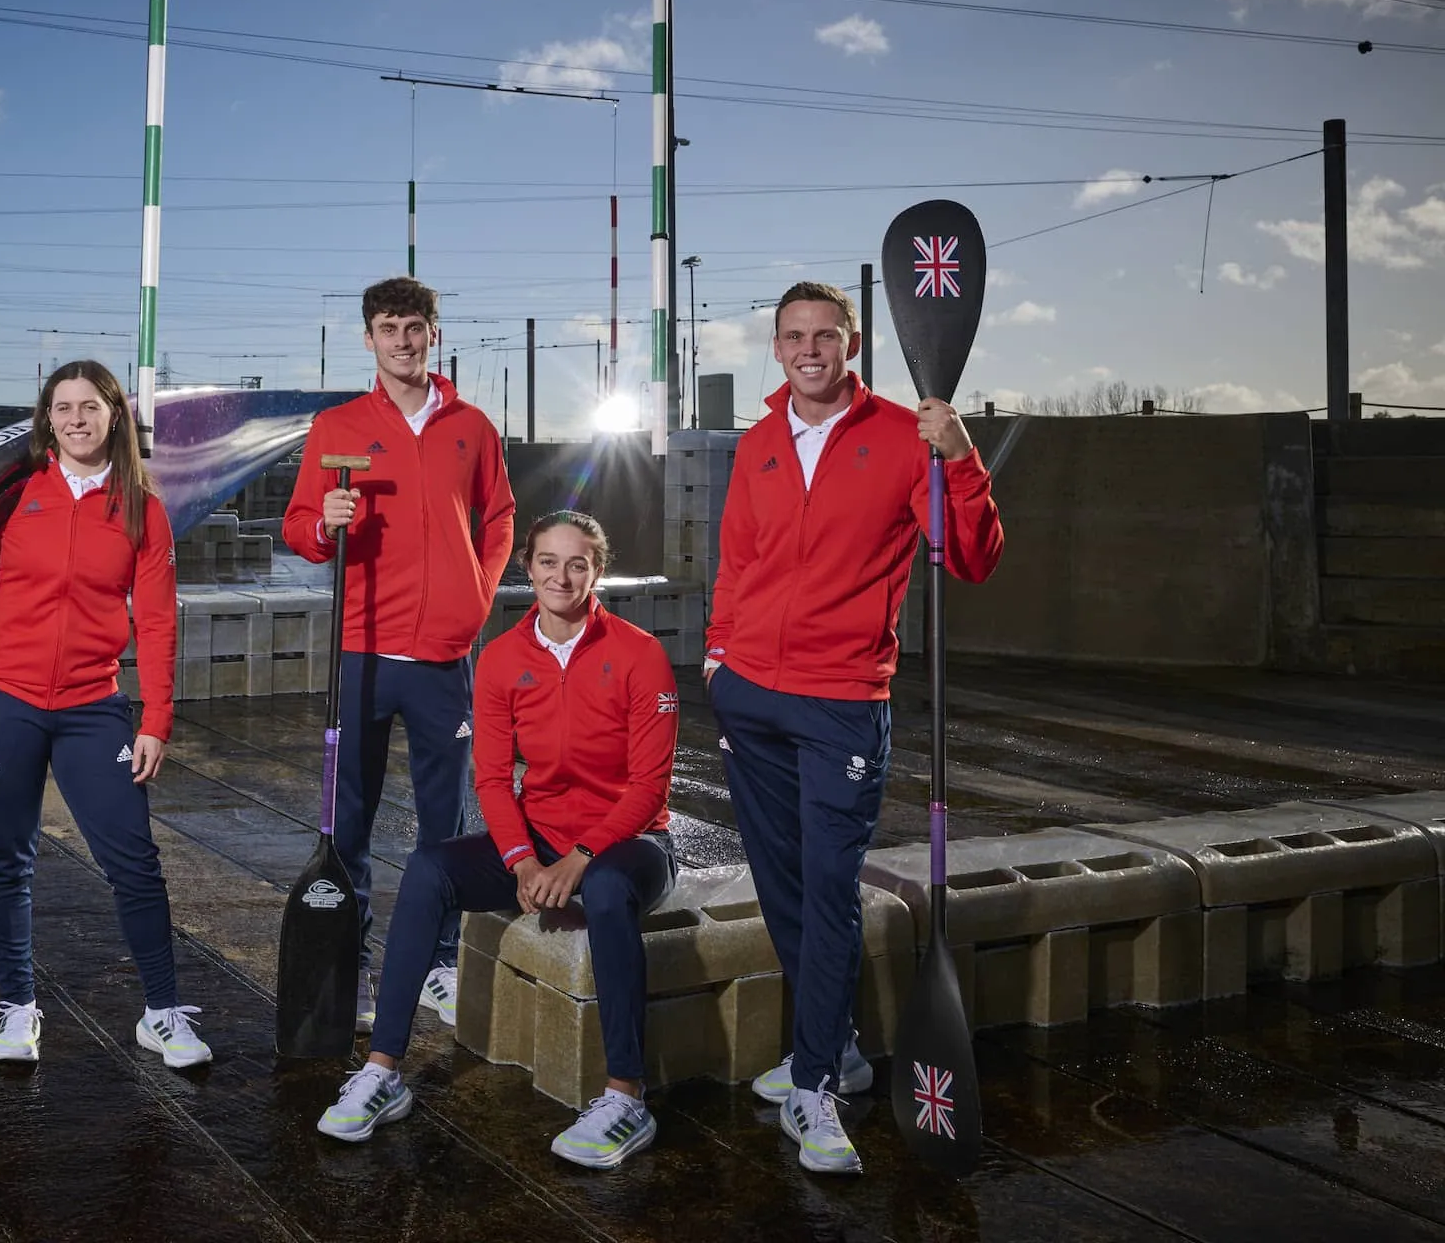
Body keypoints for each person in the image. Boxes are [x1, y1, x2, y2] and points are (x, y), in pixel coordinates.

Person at [704, 282, 1004, 1175]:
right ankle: (831, 1048)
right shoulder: (759, 443)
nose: (809, 349)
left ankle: (815, 1087)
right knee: (782, 889)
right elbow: (737, 559)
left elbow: (975, 557)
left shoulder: (905, 438)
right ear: (776, 347)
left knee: (830, 893)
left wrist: (961, 458)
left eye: (825, 335)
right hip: (751, 696)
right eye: (793, 336)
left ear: (852, 344)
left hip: (841, 701)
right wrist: (718, 657)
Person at [317, 511, 679, 1169]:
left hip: (630, 845)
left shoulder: (639, 654)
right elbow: (490, 777)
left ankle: (626, 1096)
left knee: (605, 890)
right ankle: (382, 1070)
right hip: (541, 836)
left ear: (597, 571)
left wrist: (579, 858)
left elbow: (649, 788)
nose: (561, 576)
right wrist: (521, 860)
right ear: (529, 568)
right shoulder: (504, 657)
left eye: (577, 564)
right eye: (548, 562)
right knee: (428, 869)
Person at [283, 277, 517, 1030]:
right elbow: (298, 527)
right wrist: (324, 523)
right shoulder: (339, 426)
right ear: (369, 339)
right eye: (388, 328)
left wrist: (475, 593)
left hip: (444, 656)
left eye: (414, 327)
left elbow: (499, 517)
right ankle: (351, 960)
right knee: (348, 816)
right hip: (363, 651)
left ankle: (439, 962)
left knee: (444, 819)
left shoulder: (472, 427)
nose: (403, 341)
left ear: (433, 334)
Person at [0, 359, 209, 1070]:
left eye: (90, 407)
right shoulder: (12, 495)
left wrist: (156, 719)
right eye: (63, 407)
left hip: (91, 705)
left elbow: (156, 621)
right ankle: (18, 1009)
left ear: (113, 417)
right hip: (4, 697)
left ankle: (161, 1014)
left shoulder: (141, 508)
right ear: (46, 420)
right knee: (6, 857)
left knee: (135, 861)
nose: (76, 419)